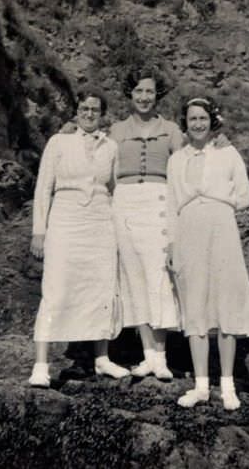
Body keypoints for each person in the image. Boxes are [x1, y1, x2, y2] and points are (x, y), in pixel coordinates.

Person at [28, 89, 130, 388]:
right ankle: (41, 365)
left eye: (95, 110)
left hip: (100, 224)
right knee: (56, 289)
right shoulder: (58, 143)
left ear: (101, 114)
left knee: (101, 289)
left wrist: (120, 231)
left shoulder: (111, 147)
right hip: (65, 220)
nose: (89, 114)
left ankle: (101, 359)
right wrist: (39, 231)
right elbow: (43, 187)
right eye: (84, 109)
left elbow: (116, 190)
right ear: (76, 111)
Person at [166, 97, 249, 410]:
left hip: (222, 229)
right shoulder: (176, 159)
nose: (198, 124)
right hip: (189, 229)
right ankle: (201, 386)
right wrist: (171, 244)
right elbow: (170, 206)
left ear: (212, 120)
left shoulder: (227, 153)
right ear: (185, 123)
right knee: (196, 306)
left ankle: (228, 385)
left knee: (225, 305)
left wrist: (218, 199)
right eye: (192, 119)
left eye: (203, 118)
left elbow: (244, 196)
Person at [110, 65, 184, 381]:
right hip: (125, 203)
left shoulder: (171, 130)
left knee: (159, 277)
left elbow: (183, 172)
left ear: (158, 95)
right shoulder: (115, 131)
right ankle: (147, 356)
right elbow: (108, 175)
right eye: (138, 91)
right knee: (133, 277)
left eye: (150, 92)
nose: (144, 97)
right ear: (130, 94)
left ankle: (162, 357)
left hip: (159, 202)